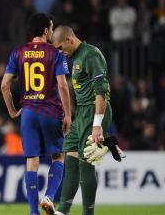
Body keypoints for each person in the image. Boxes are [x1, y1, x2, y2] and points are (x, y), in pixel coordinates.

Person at [1, 13, 71, 215]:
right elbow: (63, 86)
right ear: (46, 30)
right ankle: (48, 196)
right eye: (51, 27)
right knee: (58, 156)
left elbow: (5, 85)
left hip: (28, 112)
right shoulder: (55, 53)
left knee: (32, 161)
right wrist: (67, 114)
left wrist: (13, 111)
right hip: (50, 111)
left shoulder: (19, 52)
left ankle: (33, 212)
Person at [51, 25, 113, 215]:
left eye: (61, 48)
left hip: (94, 112)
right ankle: (63, 210)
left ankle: (88, 212)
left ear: (69, 40)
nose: (60, 52)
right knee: (70, 160)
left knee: (86, 163)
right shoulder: (76, 57)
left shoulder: (90, 55)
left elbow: (101, 91)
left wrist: (97, 125)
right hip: (81, 115)